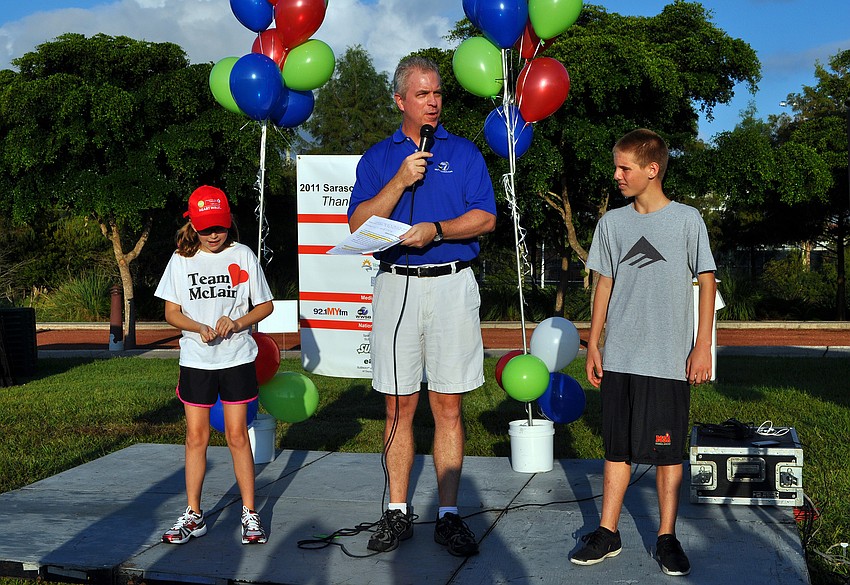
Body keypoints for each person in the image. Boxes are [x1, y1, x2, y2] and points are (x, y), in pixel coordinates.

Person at [347, 56, 497, 557]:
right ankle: (396, 512)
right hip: (396, 285)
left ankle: (449, 516)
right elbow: (357, 225)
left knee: (448, 405)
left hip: (452, 284)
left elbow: (485, 218)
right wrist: (400, 181)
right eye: (422, 94)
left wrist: (438, 229)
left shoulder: (465, 153)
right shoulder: (377, 157)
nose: (433, 102)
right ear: (400, 101)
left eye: (438, 94)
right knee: (397, 404)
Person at [570, 129, 716, 576]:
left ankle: (666, 537)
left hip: (669, 358)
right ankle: (607, 531)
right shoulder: (612, 223)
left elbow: (707, 282)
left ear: (652, 170)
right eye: (616, 166)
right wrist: (594, 342)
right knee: (616, 447)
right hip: (622, 357)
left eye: (624, 167)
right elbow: (605, 284)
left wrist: (702, 346)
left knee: (668, 453)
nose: (616, 175)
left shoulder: (688, 220)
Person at [155, 185, 274, 545]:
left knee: (238, 435)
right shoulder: (180, 260)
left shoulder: (243, 254)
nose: (213, 234)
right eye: (205, 228)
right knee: (196, 437)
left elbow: (265, 305)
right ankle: (194, 515)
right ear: (192, 225)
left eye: (219, 226)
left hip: (236, 358)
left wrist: (237, 323)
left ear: (228, 223)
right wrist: (198, 326)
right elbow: (171, 312)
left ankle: (250, 513)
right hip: (196, 360)